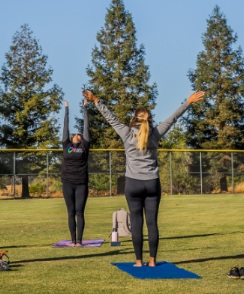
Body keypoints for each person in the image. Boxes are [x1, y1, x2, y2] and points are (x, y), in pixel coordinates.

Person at [83, 89, 205, 267]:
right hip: (152, 184)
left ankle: (139, 262)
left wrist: (95, 100)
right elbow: (172, 118)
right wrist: (189, 101)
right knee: (152, 224)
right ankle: (153, 261)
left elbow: (110, 118)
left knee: (137, 224)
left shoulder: (126, 133)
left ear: (134, 119)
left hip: (133, 184)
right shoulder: (155, 134)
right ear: (149, 119)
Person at [61, 99, 91, 246]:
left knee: (80, 212)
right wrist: (67, 108)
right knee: (71, 212)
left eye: (79, 134)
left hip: (81, 183)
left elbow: (86, 126)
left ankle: (79, 240)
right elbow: (65, 128)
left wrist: (85, 108)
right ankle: (72, 240)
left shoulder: (85, 145)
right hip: (67, 182)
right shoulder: (66, 144)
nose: (76, 134)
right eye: (75, 134)